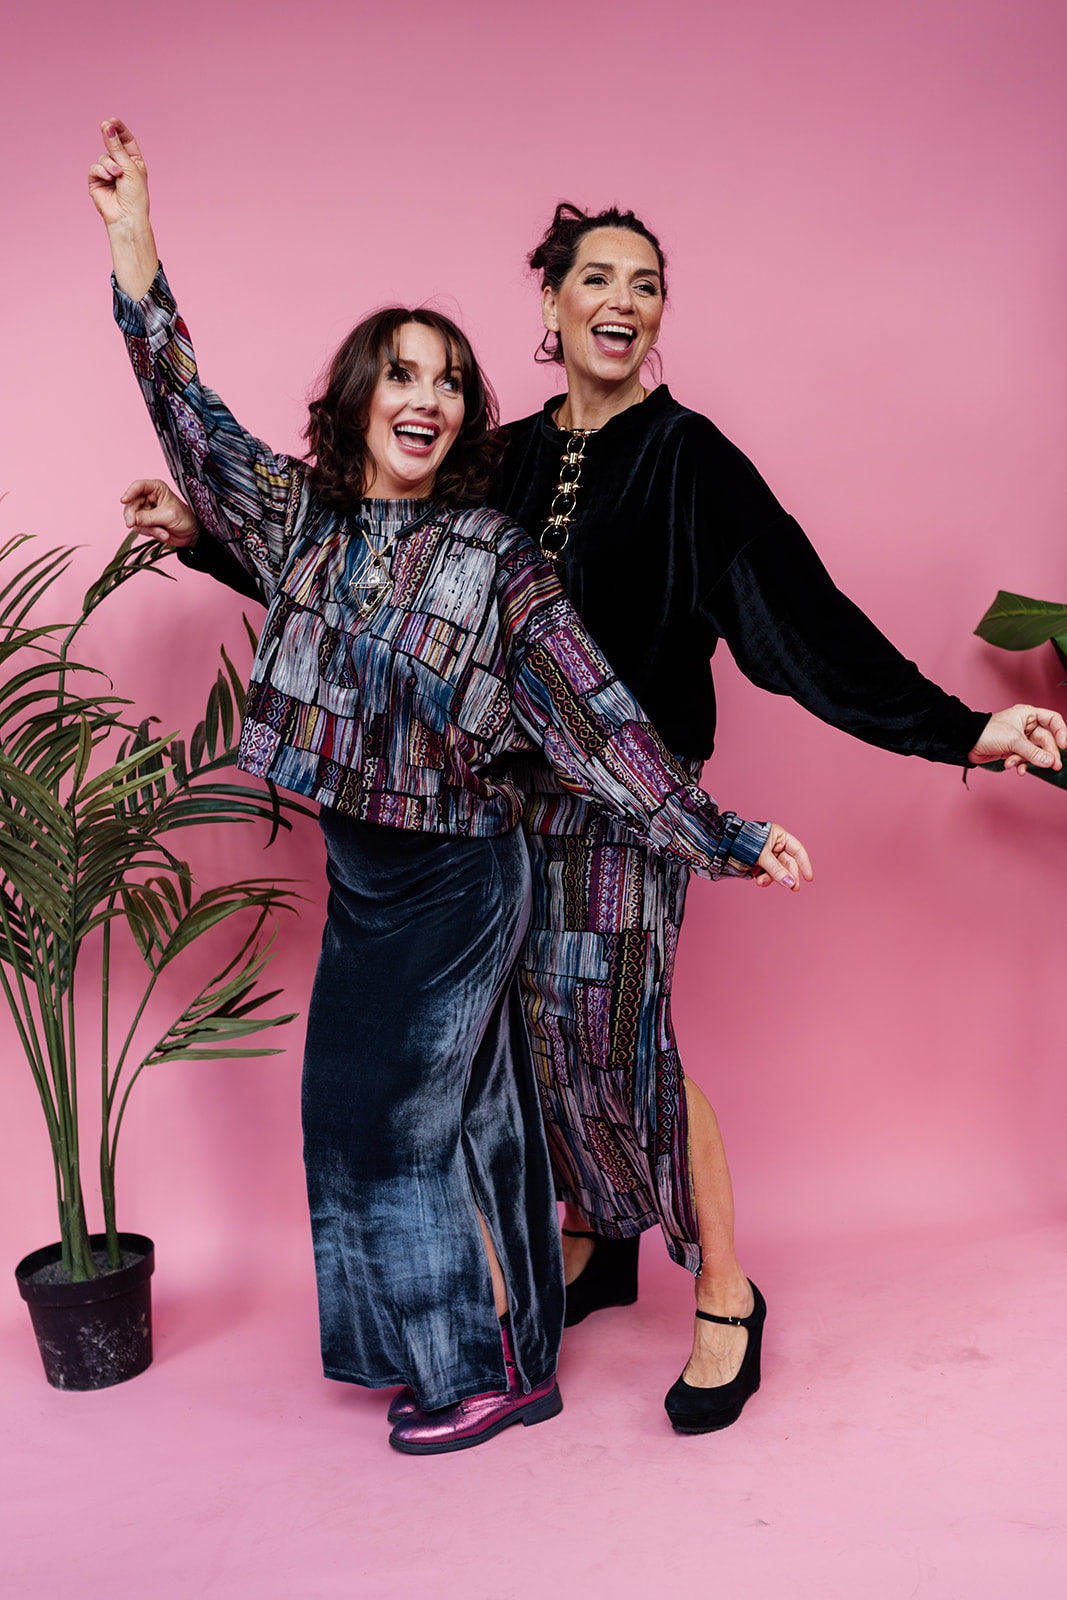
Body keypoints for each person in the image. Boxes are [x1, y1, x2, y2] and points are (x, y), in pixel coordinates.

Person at [136, 196, 1066, 1438]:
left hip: (636, 804)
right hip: (504, 803)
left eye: (645, 284)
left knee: (622, 1039)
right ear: (550, 302)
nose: (621, 301)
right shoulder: (502, 456)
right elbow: (377, 574)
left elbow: (804, 622)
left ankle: (725, 1287)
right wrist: (208, 536)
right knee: (528, 1036)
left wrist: (960, 729)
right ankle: (593, 1236)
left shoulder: (691, 461)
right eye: (597, 279)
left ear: (657, 313)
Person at [88, 120, 813, 1452]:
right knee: (376, 1119)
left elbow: (598, 720)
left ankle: (490, 1369)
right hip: (360, 880)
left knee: (405, 1123)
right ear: (359, 397)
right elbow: (193, 423)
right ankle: (475, 1343)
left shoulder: (494, 559)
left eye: (449, 381)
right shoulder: (305, 524)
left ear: (469, 414)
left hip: (458, 877)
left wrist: (720, 832)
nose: (424, 397)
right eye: (401, 374)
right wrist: (134, 245)